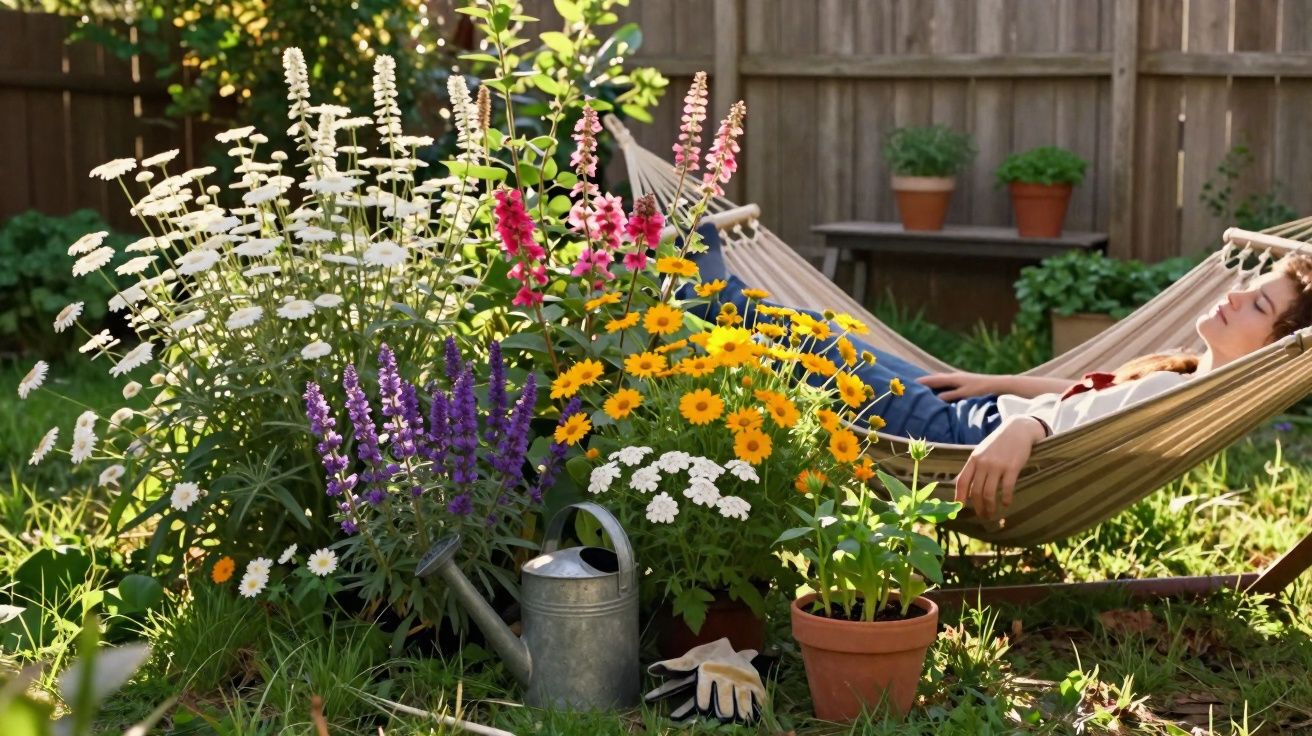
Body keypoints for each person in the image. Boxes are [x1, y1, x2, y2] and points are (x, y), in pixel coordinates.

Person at [684, 223, 1312, 520]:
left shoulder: (1191, 397)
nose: (1233, 296)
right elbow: (1082, 397)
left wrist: (1023, 428)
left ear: (1270, 348)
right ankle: (710, 290)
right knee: (833, 339)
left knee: (816, 345)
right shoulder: (1182, 372)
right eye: (1250, 287)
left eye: (1257, 305)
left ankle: (699, 289)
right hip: (970, 415)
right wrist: (996, 384)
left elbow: (1075, 431)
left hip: (953, 442)